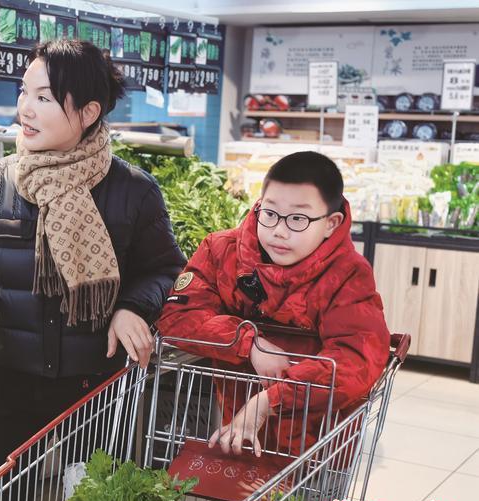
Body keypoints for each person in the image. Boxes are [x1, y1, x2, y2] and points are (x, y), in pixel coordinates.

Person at [0, 39, 186, 489]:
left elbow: (165, 270)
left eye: (44, 97)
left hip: (98, 392)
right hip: (11, 386)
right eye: (23, 92)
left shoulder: (133, 191)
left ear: (88, 112)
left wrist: (132, 307)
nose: (25, 108)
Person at [156, 151, 390, 457]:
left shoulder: (348, 275)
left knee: (307, 486)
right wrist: (249, 343)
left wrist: (270, 400)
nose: (279, 230)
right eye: (270, 213)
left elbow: (355, 360)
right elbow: (179, 316)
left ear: (331, 223)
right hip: (236, 432)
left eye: (298, 219)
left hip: (316, 445)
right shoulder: (221, 251)